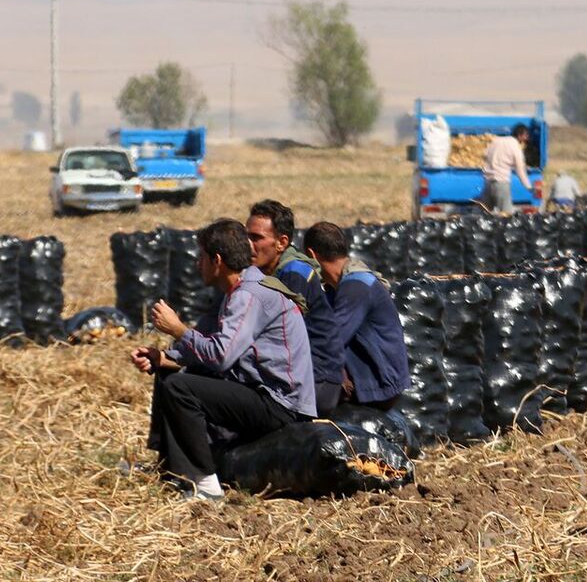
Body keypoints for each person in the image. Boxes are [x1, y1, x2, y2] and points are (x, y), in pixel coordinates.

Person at [129, 218, 316, 500]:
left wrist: (178, 329)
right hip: (256, 392)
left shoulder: (249, 295)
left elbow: (220, 357)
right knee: (168, 376)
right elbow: (204, 344)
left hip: (281, 405)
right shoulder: (233, 293)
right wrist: (162, 358)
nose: (196, 265)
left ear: (217, 260)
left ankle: (206, 485)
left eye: (201, 257)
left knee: (181, 388)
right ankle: (170, 470)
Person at [247, 200, 344, 417]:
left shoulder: (294, 274)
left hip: (317, 380)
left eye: (257, 238)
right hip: (300, 374)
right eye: (247, 236)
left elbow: (276, 335)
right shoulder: (270, 273)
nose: (248, 244)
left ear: (281, 243)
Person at [303, 222, 410, 411]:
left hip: (378, 384)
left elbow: (331, 339)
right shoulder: (337, 287)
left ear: (312, 255)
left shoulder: (356, 286)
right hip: (368, 377)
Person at [480, 123, 533, 214]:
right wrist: (529, 187)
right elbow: (520, 170)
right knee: (506, 215)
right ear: (520, 135)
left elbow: (484, 155)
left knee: (485, 215)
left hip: (488, 183)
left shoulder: (496, 141)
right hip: (501, 184)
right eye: (526, 136)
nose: (526, 139)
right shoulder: (515, 147)